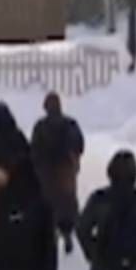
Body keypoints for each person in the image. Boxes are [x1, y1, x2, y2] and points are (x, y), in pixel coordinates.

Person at [30, 93, 86, 251]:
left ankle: (50, 237)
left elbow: (33, 150)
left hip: (46, 175)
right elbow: (80, 145)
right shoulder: (70, 124)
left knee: (48, 206)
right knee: (67, 204)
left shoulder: (40, 126)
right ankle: (68, 233)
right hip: (66, 172)